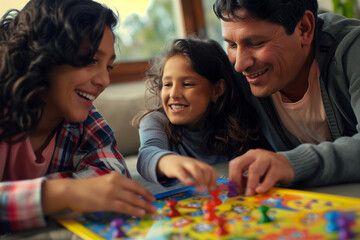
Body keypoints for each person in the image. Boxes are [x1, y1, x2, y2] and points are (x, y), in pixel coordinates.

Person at [0, 0, 156, 234]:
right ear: (43, 54)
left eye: (109, 67)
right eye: (91, 60)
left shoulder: (85, 119)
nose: (104, 80)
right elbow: (87, 190)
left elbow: (111, 173)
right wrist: (63, 193)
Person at [213, 0, 360, 196]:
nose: (240, 64)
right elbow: (176, 111)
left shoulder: (353, 49)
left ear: (304, 29)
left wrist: (290, 163)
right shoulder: (239, 74)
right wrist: (159, 159)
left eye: (256, 43)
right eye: (231, 44)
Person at [133, 38, 266, 192]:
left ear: (216, 90)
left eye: (187, 84)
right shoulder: (155, 121)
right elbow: (147, 155)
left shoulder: (237, 123)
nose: (174, 94)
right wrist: (171, 162)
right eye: (167, 84)